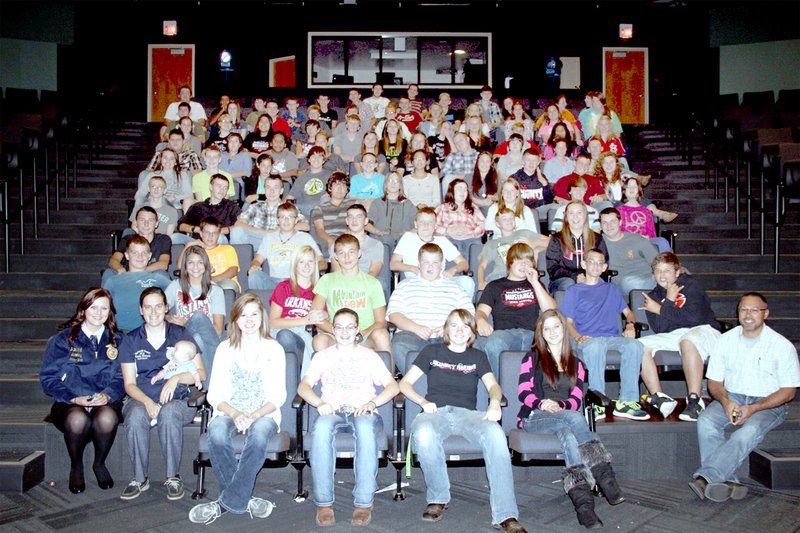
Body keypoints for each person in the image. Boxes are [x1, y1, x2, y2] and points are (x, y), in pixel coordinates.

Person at [399, 309, 528, 533]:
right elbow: (404, 384)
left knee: (496, 434)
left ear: (472, 331)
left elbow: (494, 387)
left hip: (467, 414)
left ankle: (505, 514)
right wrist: (422, 401)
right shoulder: (432, 351)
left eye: (465, 326)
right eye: (454, 325)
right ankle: (438, 498)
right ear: (446, 329)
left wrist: (495, 402)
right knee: (423, 433)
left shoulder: (477, 356)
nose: (460, 331)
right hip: (435, 412)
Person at [517, 309, 625, 530]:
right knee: (574, 418)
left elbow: (576, 398)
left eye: (556, 326)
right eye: (546, 328)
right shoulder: (532, 358)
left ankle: (584, 506)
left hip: (565, 416)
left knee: (568, 434)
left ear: (563, 329)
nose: (552, 332)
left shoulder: (577, 363)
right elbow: (523, 392)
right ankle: (605, 476)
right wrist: (541, 403)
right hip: (536, 417)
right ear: (541, 333)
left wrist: (561, 406)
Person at [689, 293, 799, 502]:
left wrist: (754, 408)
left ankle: (706, 477)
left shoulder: (781, 346)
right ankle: (728, 481)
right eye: (743, 310)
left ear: (765, 313)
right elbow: (714, 383)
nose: (748, 315)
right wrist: (726, 401)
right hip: (733, 396)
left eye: (754, 310)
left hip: (769, 403)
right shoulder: (725, 341)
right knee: (706, 421)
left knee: (748, 431)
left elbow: (788, 392)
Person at [188, 293, 287, 524]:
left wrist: (253, 415)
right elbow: (214, 395)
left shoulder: (274, 348)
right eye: (243, 315)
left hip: (265, 413)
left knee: (260, 433)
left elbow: (278, 396)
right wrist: (235, 413)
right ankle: (243, 499)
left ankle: (227, 501)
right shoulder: (225, 349)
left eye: (254, 314)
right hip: (229, 411)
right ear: (235, 320)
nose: (249, 320)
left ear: (262, 317)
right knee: (217, 432)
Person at [297, 308, 399, 527]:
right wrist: (319, 403)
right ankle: (324, 503)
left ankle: (364, 503)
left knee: (364, 428)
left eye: (350, 326)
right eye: (339, 327)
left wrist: (373, 403)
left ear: (357, 329)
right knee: (322, 429)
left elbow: (393, 386)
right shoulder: (322, 356)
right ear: (333, 330)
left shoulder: (369, 356)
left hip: (362, 410)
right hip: (331, 410)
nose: (344, 331)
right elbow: (303, 387)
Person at [119, 287, 205, 501]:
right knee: (136, 415)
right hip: (141, 397)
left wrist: (175, 378)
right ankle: (139, 479)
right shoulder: (131, 340)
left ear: (167, 307)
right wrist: (147, 402)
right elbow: (129, 384)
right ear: (141, 310)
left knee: (168, 413)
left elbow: (201, 373)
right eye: (148, 307)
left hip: (178, 399)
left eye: (158, 306)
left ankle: (173, 476)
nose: (154, 312)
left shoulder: (180, 334)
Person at [40, 288, 124, 494]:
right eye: (93, 307)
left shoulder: (119, 341)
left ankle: (99, 463)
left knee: (106, 417)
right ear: (83, 309)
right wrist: (73, 398)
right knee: (78, 420)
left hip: (105, 400)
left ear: (110, 312)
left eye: (104, 308)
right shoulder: (63, 340)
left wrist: (108, 394)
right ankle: (76, 465)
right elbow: (48, 379)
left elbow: (123, 378)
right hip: (69, 402)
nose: (98, 312)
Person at [560, 248, 649, 420]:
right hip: (587, 338)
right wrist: (577, 336)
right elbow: (567, 323)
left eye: (599, 263)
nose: (595, 265)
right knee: (596, 345)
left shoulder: (612, 289)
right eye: (591, 261)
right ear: (584, 264)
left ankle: (627, 402)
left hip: (612, 338)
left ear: (604, 267)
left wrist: (630, 325)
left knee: (635, 345)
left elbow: (629, 313)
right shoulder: (574, 290)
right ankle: (596, 401)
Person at [637, 252, 722, 422]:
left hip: (703, 330)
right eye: (658, 271)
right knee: (638, 345)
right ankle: (659, 398)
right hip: (674, 335)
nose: (662, 275)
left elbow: (694, 318)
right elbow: (661, 328)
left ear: (677, 272)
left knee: (688, 341)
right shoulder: (653, 296)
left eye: (667, 270)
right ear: (653, 275)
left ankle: (694, 400)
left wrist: (662, 308)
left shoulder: (691, 286)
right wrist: (668, 301)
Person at [387, 243, 475, 372]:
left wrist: (449, 328)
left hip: (447, 336)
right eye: (426, 262)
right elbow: (394, 315)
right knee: (399, 344)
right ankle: (420, 385)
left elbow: (469, 315)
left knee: (471, 343)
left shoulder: (456, 288)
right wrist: (416, 328)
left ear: (442, 264)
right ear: (419, 263)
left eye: (435, 262)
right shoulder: (404, 286)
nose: (430, 266)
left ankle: (443, 383)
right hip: (412, 335)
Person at [475, 242, 556, 373]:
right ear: (510, 263)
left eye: (528, 261)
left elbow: (551, 310)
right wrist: (480, 320)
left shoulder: (537, 285)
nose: (524, 265)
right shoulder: (495, 286)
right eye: (519, 260)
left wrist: (535, 282)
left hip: (533, 335)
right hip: (505, 335)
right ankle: (497, 390)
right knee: (494, 343)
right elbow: (481, 311)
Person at [310, 234, 392, 359]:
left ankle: (389, 378)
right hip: (336, 335)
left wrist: (359, 334)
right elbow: (315, 315)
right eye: (342, 253)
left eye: (351, 252)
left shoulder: (373, 283)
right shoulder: (326, 280)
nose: (347, 257)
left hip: (364, 335)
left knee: (382, 336)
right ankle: (330, 378)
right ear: (335, 256)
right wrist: (338, 332)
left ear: (359, 253)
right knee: (319, 341)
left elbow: (381, 322)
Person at [165, 245, 225, 380]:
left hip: (210, 339)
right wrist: (169, 318)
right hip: (183, 336)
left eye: (200, 262)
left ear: (206, 265)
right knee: (196, 329)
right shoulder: (176, 286)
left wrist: (188, 321)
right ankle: (214, 380)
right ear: (185, 266)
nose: (195, 267)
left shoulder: (216, 291)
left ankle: (205, 386)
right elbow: (158, 312)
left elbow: (218, 330)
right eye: (191, 262)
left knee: (198, 327)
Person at [268, 246, 328, 377]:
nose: (306, 266)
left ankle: (297, 379)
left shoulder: (320, 290)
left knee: (287, 336)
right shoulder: (283, 287)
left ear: (315, 265)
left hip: (303, 337)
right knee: (284, 335)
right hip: (280, 333)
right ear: (295, 265)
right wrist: (304, 319)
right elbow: (272, 322)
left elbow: (322, 325)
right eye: (301, 262)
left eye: (310, 261)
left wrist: (325, 315)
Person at [391, 207, 474, 298]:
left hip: (440, 282)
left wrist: (452, 270)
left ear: (435, 225)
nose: (426, 225)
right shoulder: (408, 238)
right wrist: (413, 268)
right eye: (422, 222)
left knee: (467, 282)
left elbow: (464, 263)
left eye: (430, 222)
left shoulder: (442, 240)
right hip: (416, 282)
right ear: (416, 224)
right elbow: (393, 264)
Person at [248, 202, 324, 292]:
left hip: (295, 281)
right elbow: (257, 260)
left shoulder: (305, 238)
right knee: (254, 275)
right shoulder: (269, 238)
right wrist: (254, 265)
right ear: (277, 220)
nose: (286, 220)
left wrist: (311, 270)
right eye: (283, 217)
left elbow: (322, 262)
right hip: (273, 282)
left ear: (296, 220)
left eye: (290, 217)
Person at [102, 236, 171, 332]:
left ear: (149, 256)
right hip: (121, 333)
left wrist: (169, 317)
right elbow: (102, 307)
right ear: (127, 255)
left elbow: (178, 296)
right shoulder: (113, 281)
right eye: (135, 253)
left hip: (150, 332)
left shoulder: (158, 278)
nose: (140, 256)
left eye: (144, 253)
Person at [232, 173, 310, 249]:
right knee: (236, 231)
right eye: (268, 187)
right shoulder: (255, 207)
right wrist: (261, 232)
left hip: (279, 241)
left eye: (275, 187)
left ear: (281, 191)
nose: (271, 191)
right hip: (258, 240)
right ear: (264, 190)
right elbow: (238, 223)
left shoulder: (289, 208)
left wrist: (283, 229)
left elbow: (305, 226)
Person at [476, 208, 547, 289]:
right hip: (499, 277)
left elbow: (552, 242)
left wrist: (535, 243)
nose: (509, 221)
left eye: (511, 218)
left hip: (522, 276)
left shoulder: (524, 233)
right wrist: (481, 283)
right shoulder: (491, 243)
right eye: (504, 219)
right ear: (498, 224)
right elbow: (481, 266)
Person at [546, 201, 607, 293]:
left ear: (585, 215)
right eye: (571, 213)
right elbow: (553, 268)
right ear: (566, 217)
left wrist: (588, 277)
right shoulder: (557, 239)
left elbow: (603, 262)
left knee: (598, 283)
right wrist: (575, 277)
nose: (575, 216)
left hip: (591, 276)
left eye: (579, 212)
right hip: (563, 280)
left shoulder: (597, 238)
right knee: (570, 284)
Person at [102, 206, 171, 286]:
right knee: (109, 273)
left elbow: (163, 263)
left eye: (150, 220)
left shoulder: (163, 239)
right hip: (128, 276)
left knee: (162, 273)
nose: (146, 224)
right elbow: (113, 260)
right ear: (136, 223)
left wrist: (140, 271)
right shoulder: (128, 239)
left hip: (151, 277)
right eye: (142, 220)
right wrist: (120, 269)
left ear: (156, 224)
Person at [599, 207, 657, 298]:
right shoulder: (597, 242)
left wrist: (657, 275)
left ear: (620, 222)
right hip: (621, 287)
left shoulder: (637, 240)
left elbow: (658, 261)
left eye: (612, 221)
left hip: (647, 280)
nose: (608, 226)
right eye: (604, 223)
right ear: (600, 226)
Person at [178, 216, 241, 293]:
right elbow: (179, 267)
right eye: (207, 232)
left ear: (218, 235)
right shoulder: (196, 252)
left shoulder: (228, 249)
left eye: (214, 233)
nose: (210, 236)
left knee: (227, 286)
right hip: (202, 285)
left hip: (224, 284)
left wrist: (211, 280)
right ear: (201, 234)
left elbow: (233, 270)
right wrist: (189, 245)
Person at [175, 174, 241, 245]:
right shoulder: (197, 207)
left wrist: (219, 231)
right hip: (198, 241)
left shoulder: (232, 207)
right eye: (219, 186)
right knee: (175, 237)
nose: (222, 190)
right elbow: (181, 226)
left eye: (225, 187)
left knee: (219, 237)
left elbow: (240, 226)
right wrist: (195, 229)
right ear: (211, 187)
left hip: (219, 240)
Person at [618, 177, 672, 252]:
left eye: (634, 187)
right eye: (629, 187)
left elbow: (652, 234)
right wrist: (636, 237)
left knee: (662, 241)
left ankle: (665, 263)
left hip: (645, 242)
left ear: (639, 191)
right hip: (628, 242)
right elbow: (618, 233)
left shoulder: (646, 211)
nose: (631, 189)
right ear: (624, 191)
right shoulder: (619, 211)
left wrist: (647, 238)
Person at [434, 179, 486, 257]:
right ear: (452, 191)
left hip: (470, 239)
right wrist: (447, 230)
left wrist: (471, 232)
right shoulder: (442, 208)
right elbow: (432, 225)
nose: (463, 191)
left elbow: (483, 224)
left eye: (465, 189)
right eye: (459, 188)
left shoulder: (473, 207)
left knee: (476, 248)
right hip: (449, 239)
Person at [367, 171, 417, 247]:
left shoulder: (408, 204)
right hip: (381, 240)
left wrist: (408, 233)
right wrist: (377, 232)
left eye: (396, 181)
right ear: (386, 184)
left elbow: (419, 224)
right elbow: (366, 224)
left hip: (402, 242)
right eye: (390, 180)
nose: (393, 183)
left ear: (400, 185)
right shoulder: (377, 203)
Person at [440, 132, 479, 197]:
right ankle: (449, 204)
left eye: (461, 140)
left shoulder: (479, 156)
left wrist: (466, 176)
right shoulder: (452, 156)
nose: (459, 144)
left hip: (474, 185)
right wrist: (458, 175)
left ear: (467, 139)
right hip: (457, 186)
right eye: (456, 143)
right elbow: (443, 173)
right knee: (447, 178)